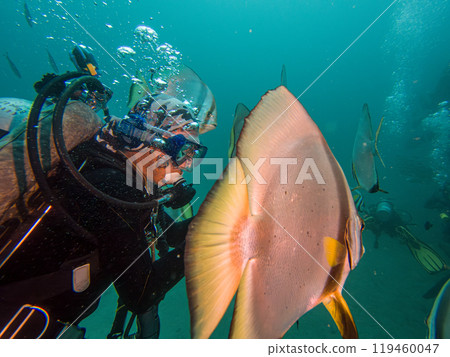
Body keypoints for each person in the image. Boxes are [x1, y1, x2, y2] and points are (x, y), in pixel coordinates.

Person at [0, 46, 216, 339]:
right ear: (150, 139)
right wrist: (215, 249)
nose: (189, 164)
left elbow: (169, 235)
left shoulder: (125, 183)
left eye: (195, 154)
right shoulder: (114, 187)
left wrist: (222, 220)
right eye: (185, 150)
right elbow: (141, 292)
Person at [354, 193, 447, 274]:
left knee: (376, 226)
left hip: (378, 221)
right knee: (393, 229)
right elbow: (399, 218)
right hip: (391, 223)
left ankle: (367, 224)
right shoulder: (392, 212)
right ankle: (402, 234)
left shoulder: (374, 209)